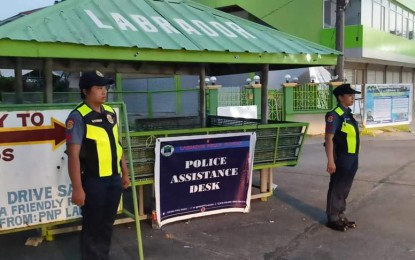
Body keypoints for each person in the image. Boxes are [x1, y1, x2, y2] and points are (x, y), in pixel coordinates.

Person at [65, 71, 130, 259]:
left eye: (105, 88)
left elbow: (117, 145)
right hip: (93, 181)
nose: (104, 92)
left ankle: (103, 256)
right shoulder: (78, 117)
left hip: (113, 179)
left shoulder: (110, 113)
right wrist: (77, 188)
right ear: (86, 91)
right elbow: (73, 155)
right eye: (99, 88)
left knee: (107, 225)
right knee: (93, 226)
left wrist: (124, 173)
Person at [324, 83, 361, 232]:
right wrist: (331, 161)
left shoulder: (348, 114)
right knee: (337, 187)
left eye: (353, 95)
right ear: (340, 97)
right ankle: (332, 217)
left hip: (352, 157)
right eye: (350, 95)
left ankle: (340, 213)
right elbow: (328, 138)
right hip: (341, 157)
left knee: (345, 187)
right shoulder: (335, 115)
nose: (353, 98)